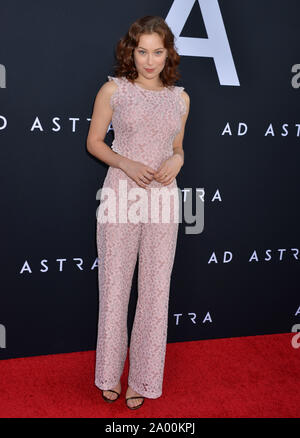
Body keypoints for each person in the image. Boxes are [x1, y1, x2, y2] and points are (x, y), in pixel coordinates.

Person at [87, 15, 190, 410]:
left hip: (164, 198)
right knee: (113, 288)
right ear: (131, 51)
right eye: (142, 51)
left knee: (155, 291)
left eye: (158, 52)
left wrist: (178, 161)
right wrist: (126, 163)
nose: (150, 60)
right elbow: (94, 142)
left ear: (169, 53)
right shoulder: (113, 91)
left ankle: (143, 379)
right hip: (120, 195)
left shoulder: (180, 98)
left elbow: (177, 147)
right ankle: (109, 375)